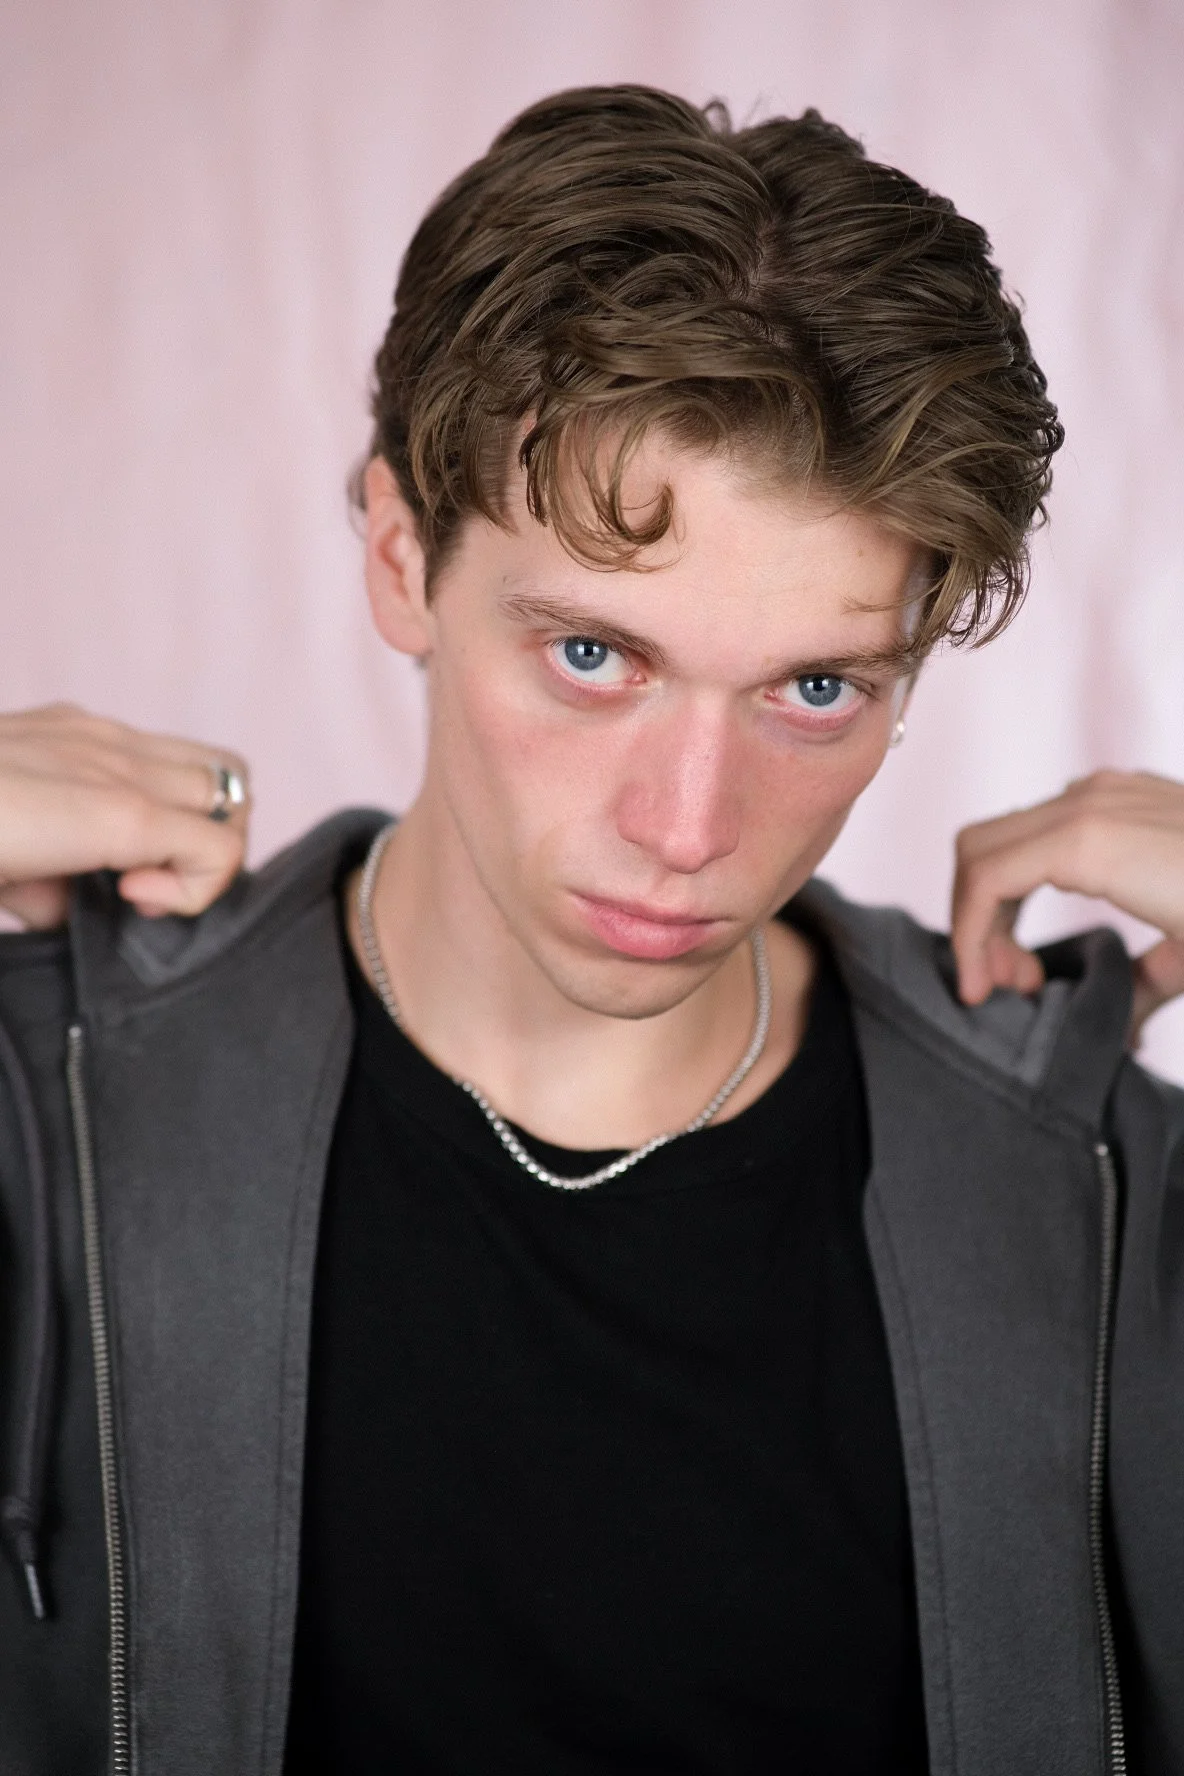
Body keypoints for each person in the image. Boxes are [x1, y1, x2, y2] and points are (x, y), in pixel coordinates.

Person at [1, 85, 1182, 1776]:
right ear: (404, 557)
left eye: (817, 689)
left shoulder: (1100, 1192)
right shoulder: (59, 1117)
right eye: (592, 658)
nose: (688, 829)